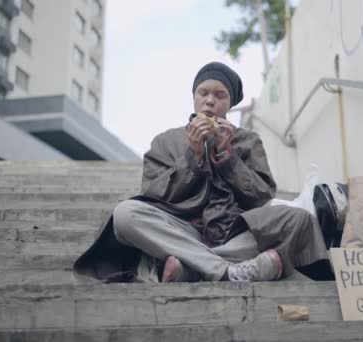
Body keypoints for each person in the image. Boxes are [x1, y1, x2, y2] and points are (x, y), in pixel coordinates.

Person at [73, 62, 328, 283]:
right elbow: (152, 194)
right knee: (125, 214)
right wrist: (192, 158)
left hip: (235, 233)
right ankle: (228, 272)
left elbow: (262, 196)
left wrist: (228, 158)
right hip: (181, 229)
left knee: (299, 219)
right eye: (203, 92)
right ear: (194, 97)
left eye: (220, 95)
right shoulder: (165, 141)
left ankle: (192, 269)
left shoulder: (248, 141)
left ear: (229, 104)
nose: (210, 101)